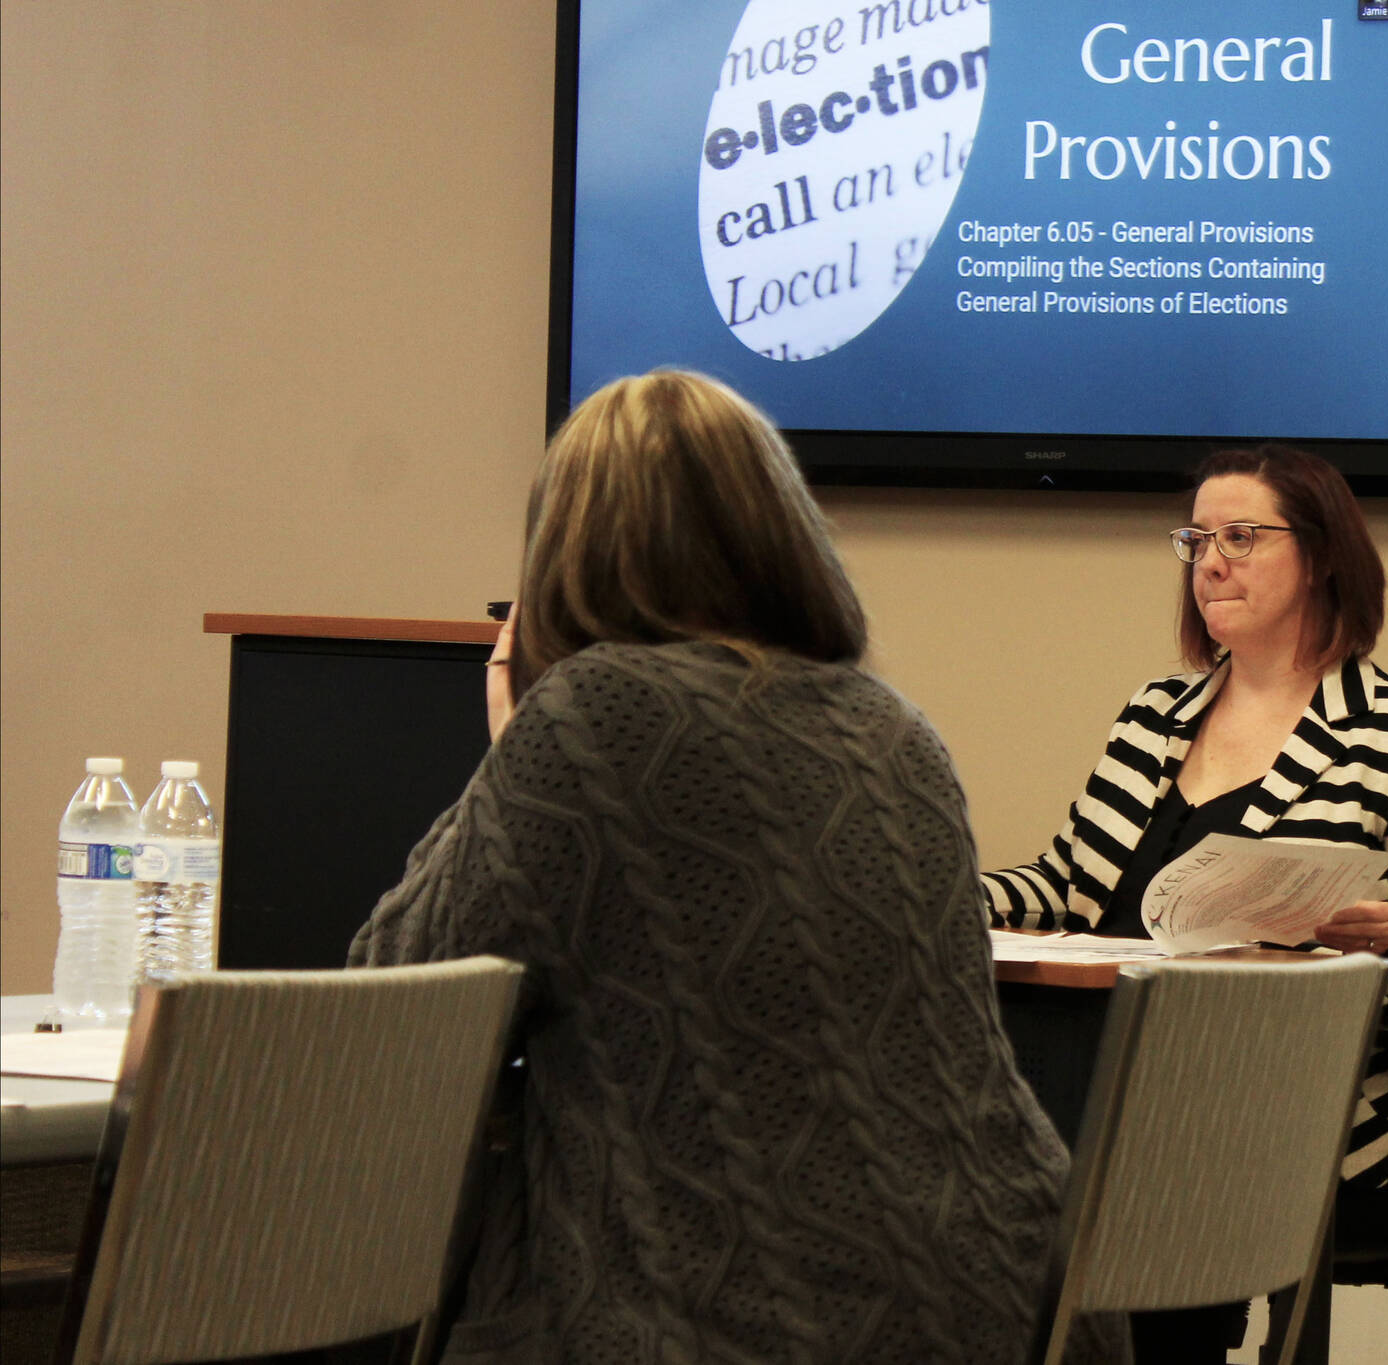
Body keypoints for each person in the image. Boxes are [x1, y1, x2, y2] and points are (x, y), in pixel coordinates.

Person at [351, 370, 1122, 1365]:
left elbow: (389, 1007)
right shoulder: (895, 731)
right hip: (1017, 1308)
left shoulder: (598, 715)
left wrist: (509, 745)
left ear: (566, 549)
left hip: (757, 1324)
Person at [984, 443, 1388, 1363]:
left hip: (1305, 1104)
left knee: (1131, 1193)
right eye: (1195, 538)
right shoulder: (1153, 714)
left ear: (1322, 555)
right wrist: (944, 892)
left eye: (1241, 536)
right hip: (1123, 1082)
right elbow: (1065, 885)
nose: (1209, 561)